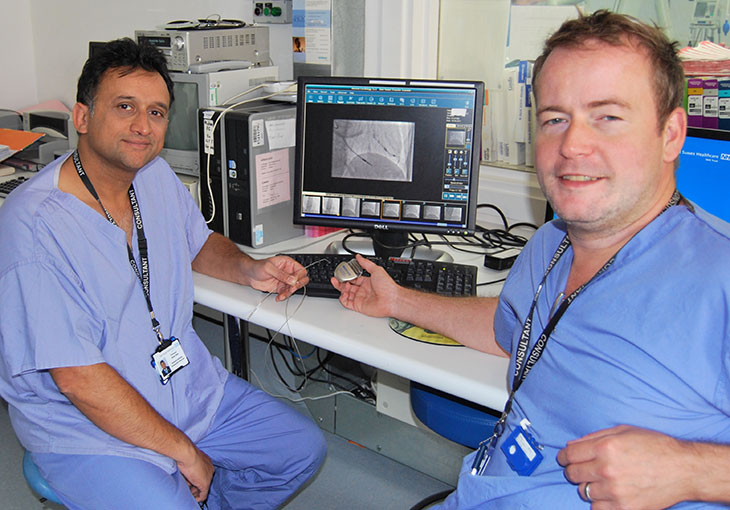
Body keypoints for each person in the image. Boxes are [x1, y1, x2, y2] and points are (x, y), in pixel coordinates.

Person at [332, 10, 730, 509]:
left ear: (671, 134)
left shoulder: (719, 276)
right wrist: (398, 300)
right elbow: (511, 328)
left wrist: (693, 471)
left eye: (607, 116)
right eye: (555, 119)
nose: (572, 145)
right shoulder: (550, 243)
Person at [0, 38, 326, 509]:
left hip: (183, 387)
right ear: (83, 117)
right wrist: (184, 451)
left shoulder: (152, 175)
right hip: (83, 424)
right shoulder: (33, 225)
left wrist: (248, 268)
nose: (142, 126)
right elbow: (77, 378)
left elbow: (197, 242)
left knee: (301, 451)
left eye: (156, 112)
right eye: (125, 106)